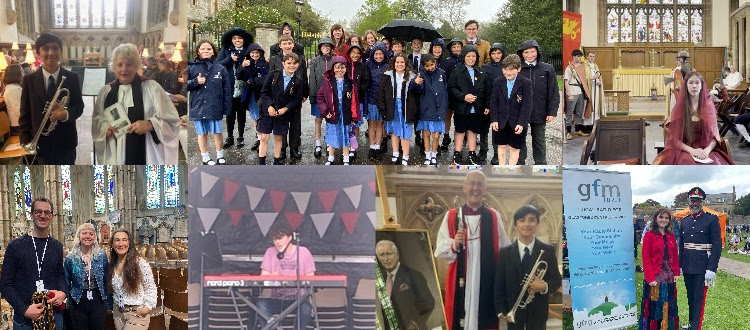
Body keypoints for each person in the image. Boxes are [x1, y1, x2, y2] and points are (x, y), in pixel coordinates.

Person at [435, 170, 511, 330]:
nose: (475, 188)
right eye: (472, 183)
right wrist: (454, 244)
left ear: (485, 189)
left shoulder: (493, 216)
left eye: (480, 184)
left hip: (487, 281)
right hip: (460, 280)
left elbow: (505, 249)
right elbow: (439, 250)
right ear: (464, 187)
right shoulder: (451, 216)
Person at [92, 43, 180, 165]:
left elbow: (173, 121)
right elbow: (97, 122)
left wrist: (150, 124)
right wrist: (105, 129)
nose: (124, 69)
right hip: (115, 155)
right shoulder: (106, 92)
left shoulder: (152, 88)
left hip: (147, 155)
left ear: (137, 66)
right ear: (113, 67)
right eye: (119, 65)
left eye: (129, 64)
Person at [0, 198, 67, 330]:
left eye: (47, 212)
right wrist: (24, 310)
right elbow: (6, 284)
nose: (43, 215)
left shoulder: (57, 246)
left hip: (53, 315)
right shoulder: (15, 246)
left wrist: (63, 293)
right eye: (38, 212)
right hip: (25, 319)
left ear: (52, 217)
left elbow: (61, 276)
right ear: (31, 214)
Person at [19, 33, 84, 164]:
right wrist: (25, 142)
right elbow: (24, 114)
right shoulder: (28, 80)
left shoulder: (72, 77)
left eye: (55, 48)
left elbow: (79, 107)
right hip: (40, 144)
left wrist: (65, 114)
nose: (51, 52)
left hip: (66, 142)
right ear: (38, 53)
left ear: (61, 51)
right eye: (46, 48)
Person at [494, 205, 561, 329]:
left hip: (537, 313)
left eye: (531, 220)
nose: (527, 224)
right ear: (515, 225)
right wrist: (500, 310)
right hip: (512, 312)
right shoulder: (505, 252)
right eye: (522, 220)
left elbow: (556, 280)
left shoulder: (548, 250)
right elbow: (499, 285)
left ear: (537, 224)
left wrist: (544, 286)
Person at [652, 71, 734, 164]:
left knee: (714, 165)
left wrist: (706, 151)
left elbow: (714, 137)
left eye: (697, 83)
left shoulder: (709, 109)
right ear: (686, 86)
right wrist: (692, 151)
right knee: (686, 162)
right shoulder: (680, 109)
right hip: (685, 150)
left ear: (702, 85)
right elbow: (673, 139)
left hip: (706, 151)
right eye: (690, 83)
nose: (694, 86)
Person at [678, 187, 721, 330]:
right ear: (688, 202)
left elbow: (717, 245)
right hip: (687, 265)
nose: (694, 203)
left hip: (703, 267)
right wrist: (679, 265)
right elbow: (681, 245)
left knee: (699, 299)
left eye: (697, 201)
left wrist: (712, 269)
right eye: (692, 201)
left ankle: (696, 327)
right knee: (690, 297)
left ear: (702, 202)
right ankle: (691, 324)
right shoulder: (684, 221)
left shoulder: (711, 219)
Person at [257, 225, 315, 330]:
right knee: (260, 305)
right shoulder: (270, 252)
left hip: (298, 299)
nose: (277, 242)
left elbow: (311, 277)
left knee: (306, 308)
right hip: (277, 299)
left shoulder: (304, 252)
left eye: (280, 238)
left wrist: (294, 278)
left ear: (290, 238)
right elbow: (263, 276)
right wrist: (273, 277)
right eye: (275, 239)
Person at [187, 39, 232, 165]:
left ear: (213, 52)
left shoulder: (220, 68)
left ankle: (220, 155)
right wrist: (195, 82)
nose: (206, 51)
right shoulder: (191, 67)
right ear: (198, 51)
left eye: (209, 49)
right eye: (203, 49)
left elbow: (226, 89)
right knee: (202, 133)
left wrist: (227, 108)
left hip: (215, 105)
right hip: (198, 105)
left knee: (217, 132)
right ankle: (205, 157)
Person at [516, 40, 559, 165]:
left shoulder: (547, 68)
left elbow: (553, 92)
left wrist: (552, 111)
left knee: (539, 139)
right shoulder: (518, 69)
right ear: (521, 54)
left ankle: (540, 164)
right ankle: (520, 163)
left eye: (532, 51)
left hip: (539, 109)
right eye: (526, 52)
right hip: (520, 111)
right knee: (519, 138)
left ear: (537, 52)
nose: (529, 55)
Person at [376, 240, 435, 330]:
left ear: (397, 255)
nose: (386, 259)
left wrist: (415, 322)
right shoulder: (379, 279)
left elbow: (428, 303)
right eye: (382, 255)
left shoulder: (414, 275)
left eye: (389, 254)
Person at [448, 45, 491, 165]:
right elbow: (451, 88)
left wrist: (487, 105)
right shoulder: (457, 71)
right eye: (468, 56)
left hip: (477, 107)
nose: (471, 58)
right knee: (460, 130)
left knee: (473, 130)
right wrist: (463, 97)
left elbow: (487, 90)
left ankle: (472, 154)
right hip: (462, 107)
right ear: (464, 57)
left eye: (473, 56)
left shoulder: (481, 71)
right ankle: (457, 153)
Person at [64, 223, 112, 330]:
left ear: (95, 237)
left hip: (98, 299)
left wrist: (108, 303)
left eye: (91, 234)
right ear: (79, 236)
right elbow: (66, 282)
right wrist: (68, 303)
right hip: (77, 301)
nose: (87, 236)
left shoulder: (102, 256)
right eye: (84, 233)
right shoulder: (70, 258)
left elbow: (107, 281)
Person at [260, 52, 305, 165]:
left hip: (282, 113)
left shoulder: (299, 81)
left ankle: (276, 161)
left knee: (279, 138)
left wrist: (286, 108)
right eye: (289, 63)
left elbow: (296, 99)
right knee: (264, 137)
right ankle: (261, 162)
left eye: (294, 63)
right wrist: (269, 106)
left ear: (298, 65)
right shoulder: (274, 75)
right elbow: (264, 92)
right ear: (283, 63)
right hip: (268, 111)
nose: (291, 66)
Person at [639, 209, 680, 330]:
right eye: (661, 217)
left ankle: (667, 327)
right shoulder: (649, 235)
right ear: (656, 219)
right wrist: (650, 278)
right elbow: (646, 258)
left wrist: (676, 272)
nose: (664, 220)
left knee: (669, 303)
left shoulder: (671, 234)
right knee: (655, 305)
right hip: (655, 274)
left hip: (669, 274)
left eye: (667, 218)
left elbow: (675, 255)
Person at [107, 229, 157, 330]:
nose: (121, 244)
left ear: (129, 243)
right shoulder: (112, 264)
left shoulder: (140, 263)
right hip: (118, 312)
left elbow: (151, 288)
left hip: (136, 312)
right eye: (117, 240)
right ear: (112, 244)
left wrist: (146, 309)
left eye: (124, 240)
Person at [269, 34, 308, 161]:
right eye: (284, 44)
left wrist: (305, 93)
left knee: (296, 121)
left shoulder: (300, 58)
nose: (287, 46)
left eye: (289, 43)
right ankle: (282, 147)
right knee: (282, 121)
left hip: (296, 93)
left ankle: (294, 146)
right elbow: (271, 77)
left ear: (293, 44)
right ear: (280, 45)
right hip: (280, 95)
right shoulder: (275, 59)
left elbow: (304, 75)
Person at [490, 54, 533, 165]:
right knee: (502, 146)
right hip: (501, 121)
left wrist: (522, 123)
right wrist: (494, 119)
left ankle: (511, 170)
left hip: (517, 122)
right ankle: (502, 169)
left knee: (514, 148)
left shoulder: (526, 83)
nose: (508, 73)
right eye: (505, 69)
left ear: (518, 69)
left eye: (511, 69)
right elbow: (493, 102)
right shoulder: (497, 82)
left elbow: (527, 105)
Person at [377, 52, 419, 165]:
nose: (399, 64)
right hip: (392, 105)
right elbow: (381, 93)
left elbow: (417, 93)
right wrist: (383, 109)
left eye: (402, 62)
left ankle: (405, 155)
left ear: (406, 63)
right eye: (397, 62)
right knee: (395, 131)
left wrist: (417, 84)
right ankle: (395, 153)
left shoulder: (412, 76)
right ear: (394, 63)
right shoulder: (387, 75)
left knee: (405, 132)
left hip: (406, 106)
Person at [316, 56, 358, 165]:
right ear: (333, 69)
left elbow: (354, 101)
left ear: (346, 68)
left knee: (345, 136)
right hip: (332, 114)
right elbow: (320, 97)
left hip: (345, 115)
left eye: (342, 67)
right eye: (337, 67)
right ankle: (330, 158)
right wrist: (325, 111)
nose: (340, 70)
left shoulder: (350, 83)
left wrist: (354, 117)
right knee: (332, 136)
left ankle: (346, 158)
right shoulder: (328, 82)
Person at [216, 27, 252, 149]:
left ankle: (240, 137)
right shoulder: (226, 50)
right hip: (229, 86)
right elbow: (217, 65)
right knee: (230, 113)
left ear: (244, 39)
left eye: (239, 38)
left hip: (243, 85)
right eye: (234, 38)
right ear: (231, 40)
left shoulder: (248, 50)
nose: (237, 40)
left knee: (241, 112)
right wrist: (229, 59)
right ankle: (230, 137)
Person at [413, 54, 448, 165]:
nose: (431, 67)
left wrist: (445, 105)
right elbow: (415, 91)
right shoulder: (420, 75)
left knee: (436, 135)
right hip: (426, 109)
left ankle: (434, 154)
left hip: (438, 108)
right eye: (427, 66)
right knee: (426, 134)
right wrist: (416, 84)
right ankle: (427, 155)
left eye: (432, 64)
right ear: (424, 66)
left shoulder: (442, 73)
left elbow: (445, 91)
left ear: (435, 62)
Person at [236, 42, 269, 153]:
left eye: (257, 53)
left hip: (261, 94)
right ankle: (259, 138)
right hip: (250, 94)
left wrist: (253, 81)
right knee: (254, 117)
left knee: (261, 116)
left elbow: (266, 78)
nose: (255, 55)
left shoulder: (265, 64)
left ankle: (261, 137)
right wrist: (242, 66)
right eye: (253, 53)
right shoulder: (247, 64)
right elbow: (239, 76)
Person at [308, 37, 336, 158]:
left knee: (330, 120)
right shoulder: (315, 61)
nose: (325, 48)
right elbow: (312, 79)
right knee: (318, 120)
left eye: (328, 46)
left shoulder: (335, 60)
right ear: (320, 48)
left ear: (331, 48)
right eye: (323, 46)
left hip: (331, 96)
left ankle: (329, 141)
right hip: (318, 96)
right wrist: (312, 95)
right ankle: (318, 142)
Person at [481, 43, 506, 164]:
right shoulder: (486, 68)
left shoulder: (506, 67)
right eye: (493, 53)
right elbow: (483, 87)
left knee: (497, 129)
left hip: (501, 104)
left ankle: (496, 153)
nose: (496, 56)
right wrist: (486, 104)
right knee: (484, 129)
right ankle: (483, 150)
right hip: (487, 102)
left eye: (498, 53)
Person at [365, 41, 389, 161]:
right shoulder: (368, 65)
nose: (378, 56)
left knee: (380, 124)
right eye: (376, 54)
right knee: (371, 123)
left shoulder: (388, 66)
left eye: (381, 54)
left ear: (384, 54)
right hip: (371, 99)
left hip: (382, 100)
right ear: (373, 54)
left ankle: (378, 147)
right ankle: (371, 147)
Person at [441, 38, 465, 152]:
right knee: (447, 116)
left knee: (460, 117)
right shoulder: (447, 62)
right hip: (449, 93)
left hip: (462, 94)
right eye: (453, 47)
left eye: (458, 46)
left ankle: (461, 137)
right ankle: (446, 136)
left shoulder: (465, 61)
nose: (456, 49)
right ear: (450, 49)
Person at [346, 44, 369, 160]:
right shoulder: (345, 65)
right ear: (349, 54)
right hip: (346, 100)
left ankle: (353, 148)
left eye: (358, 53)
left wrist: (357, 92)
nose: (355, 55)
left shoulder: (363, 66)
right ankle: (346, 145)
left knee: (355, 124)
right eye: (353, 52)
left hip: (358, 99)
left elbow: (366, 82)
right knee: (346, 123)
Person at [563, 49, 592, 140]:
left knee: (579, 112)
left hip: (580, 92)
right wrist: (569, 94)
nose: (580, 58)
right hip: (572, 91)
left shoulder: (582, 67)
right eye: (578, 56)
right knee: (570, 112)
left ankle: (578, 130)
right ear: (574, 56)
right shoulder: (569, 68)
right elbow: (566, 82)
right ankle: (568, 132)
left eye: (580, 56)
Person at [583, 51, 603, 134]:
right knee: (589, 105)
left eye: (593, 56)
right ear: (587, 57)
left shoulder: (595, 65)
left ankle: (595, 123)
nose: (592, 58)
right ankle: (588, 125)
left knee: (596, 105)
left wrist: (599, 81)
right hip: (589, 88)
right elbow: (584, 77)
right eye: (590, 56)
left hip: (596, 88)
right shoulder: (584, 66)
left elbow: (598, 75)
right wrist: (591, 78)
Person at [2, 63, 23, 135]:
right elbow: (19, 111)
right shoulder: (13, 89)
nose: (23, 74)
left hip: (19, 123)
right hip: (18, 125)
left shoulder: (13, 87)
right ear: (16, 74)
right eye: (21, 72)